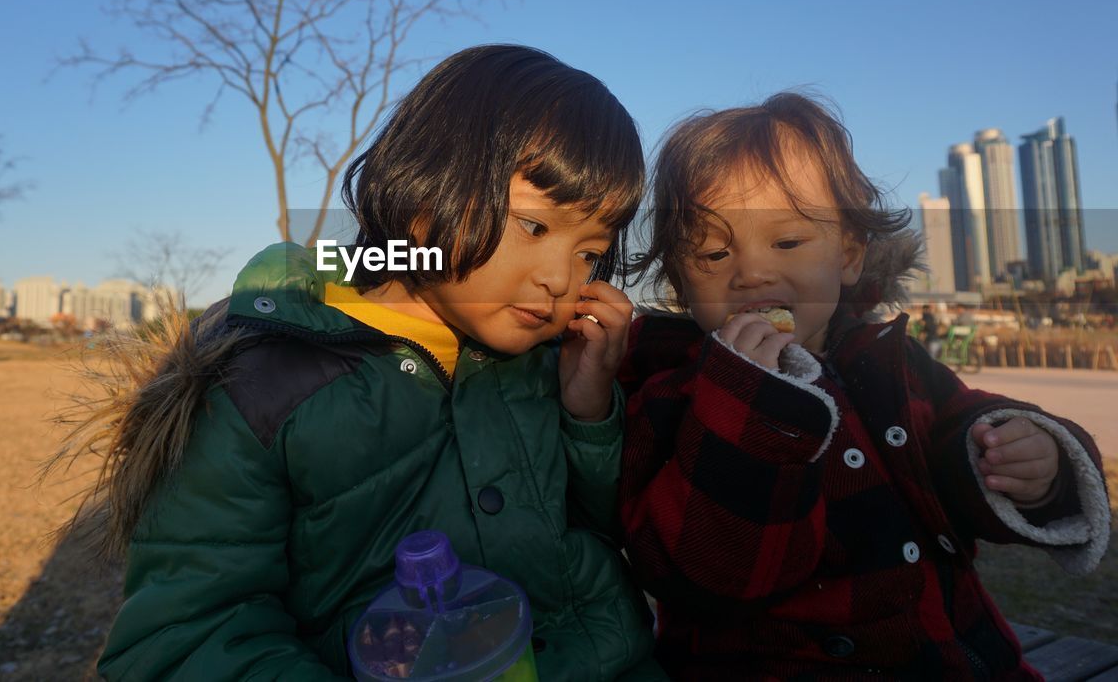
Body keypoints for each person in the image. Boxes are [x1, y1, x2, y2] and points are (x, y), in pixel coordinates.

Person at [76, 45, 662, 680]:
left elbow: (612, 536)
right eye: (535, 227)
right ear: (424, 195)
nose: (559, 277)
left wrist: (589, 414)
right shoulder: (265, 377)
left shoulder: (553, 362)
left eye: (590, 252)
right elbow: (185, 637)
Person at [619, 93, 1110, 680]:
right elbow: (699, 572)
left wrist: (1031, 462)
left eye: (787, 242)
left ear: (848, 255)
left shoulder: (891, 363)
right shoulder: (672, 395)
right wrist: (746, 403)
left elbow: (961, 437)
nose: (750, 273)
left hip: (958, 654)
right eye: (714, 253)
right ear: (678, 279)